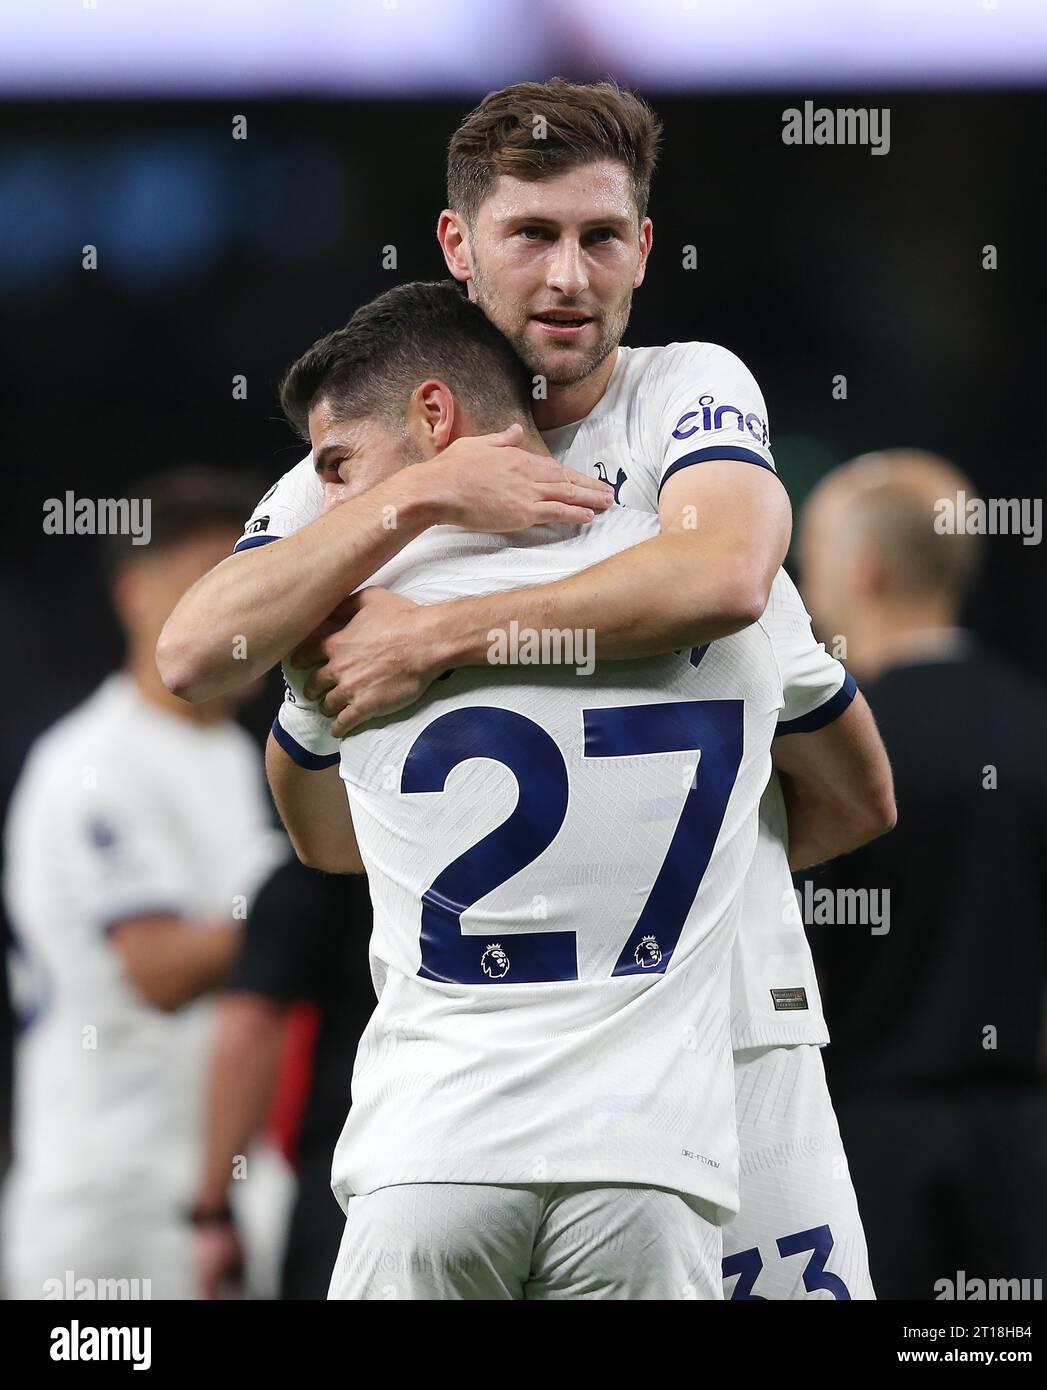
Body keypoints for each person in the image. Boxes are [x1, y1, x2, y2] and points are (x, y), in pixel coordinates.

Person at [159, 80, 894, 1297]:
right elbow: (200, 656)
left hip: (728, 1028)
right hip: (536, 1078)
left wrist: (439, 638)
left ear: (644, 248)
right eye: (531, 235)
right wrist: (422, 495)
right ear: (456, 245)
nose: (568, 276)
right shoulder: (382, 454)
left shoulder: (686, 394)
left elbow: (724, 580)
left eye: (599, 237)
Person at [798, 448, 1047, 1299]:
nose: (808, 598)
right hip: (1018, 1158)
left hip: (855, 1155)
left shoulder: (822, 759)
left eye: (812, 566)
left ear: (868, 569)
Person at [2, 469, 282, 1299]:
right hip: (111, 1207)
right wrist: (312, 917)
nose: (244, 610)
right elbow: (158, 967)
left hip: (222, 1186)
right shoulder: (94, 761)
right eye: (213, 580)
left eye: (257, 579)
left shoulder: (238, 758)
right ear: (136, 595)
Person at [193, 859, 377, 1300]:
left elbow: (248, 1030)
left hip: (352, 1191)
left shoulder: (313, 878)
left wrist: (211, 1211)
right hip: (536, 1162)